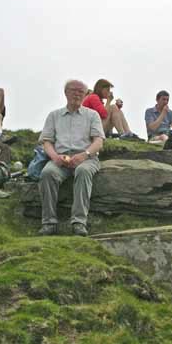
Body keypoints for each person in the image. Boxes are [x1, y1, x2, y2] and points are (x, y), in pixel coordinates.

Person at [39, 79, 105, 236]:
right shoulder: (54, 115)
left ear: (85, 95)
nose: (77, 93)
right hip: (60, 159)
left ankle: (79, 222)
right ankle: (49, 223)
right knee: (47, 173)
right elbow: (46, 141)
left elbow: (99, 141)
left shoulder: (92, 115)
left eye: (81, 91)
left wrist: (85, 155)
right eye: (73, 90)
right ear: (65, 92)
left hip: (87, 158)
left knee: (83, 172)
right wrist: (55, 157)